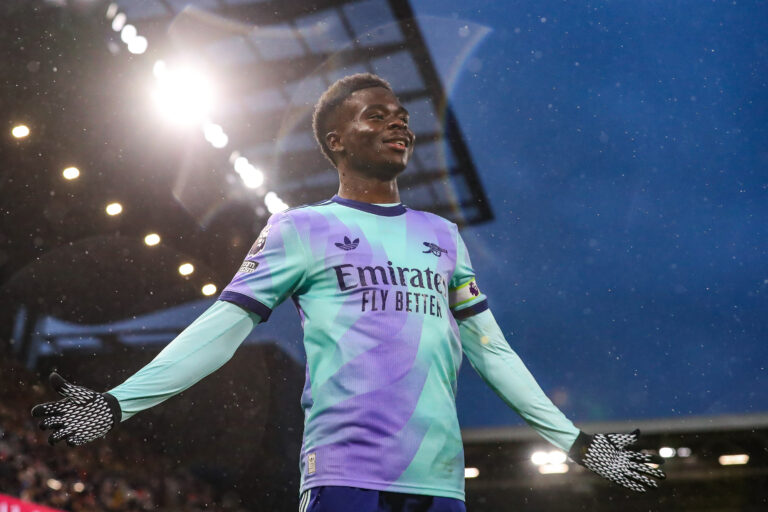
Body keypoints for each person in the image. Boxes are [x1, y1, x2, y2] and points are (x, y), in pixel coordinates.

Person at [32, 74, 665, 511]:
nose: (399, 123)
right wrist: (118, 403)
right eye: (377, 115)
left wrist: (576, 441)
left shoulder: (442, 237)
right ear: (336, 142)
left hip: (440, 482)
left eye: (403, 116)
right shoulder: (300, 229)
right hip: (345, 476)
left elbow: (491, 351)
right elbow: (223, 328)